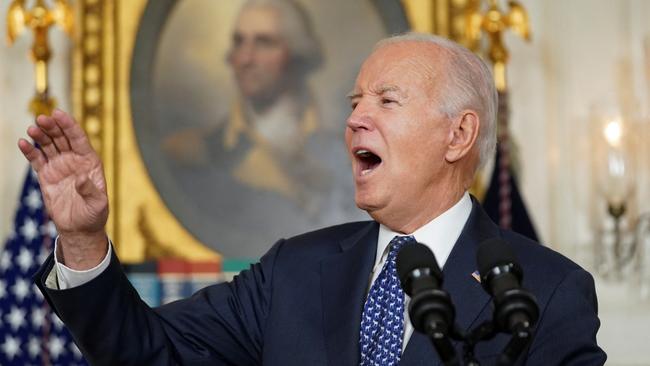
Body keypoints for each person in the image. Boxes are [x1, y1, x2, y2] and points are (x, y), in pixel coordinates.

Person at [19, 33, 606, 365]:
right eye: (354, 102)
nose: (355, 119)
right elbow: (147, 355)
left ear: (459, 135)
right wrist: (84, 239)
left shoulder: (543, 291)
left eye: (387, 101)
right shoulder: (292, 272)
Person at [159, 0, 357, 257]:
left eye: (264, 42)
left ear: (297, 55)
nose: (245, 58)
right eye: (239, 42)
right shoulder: (191, 153)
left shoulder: (345, 151)